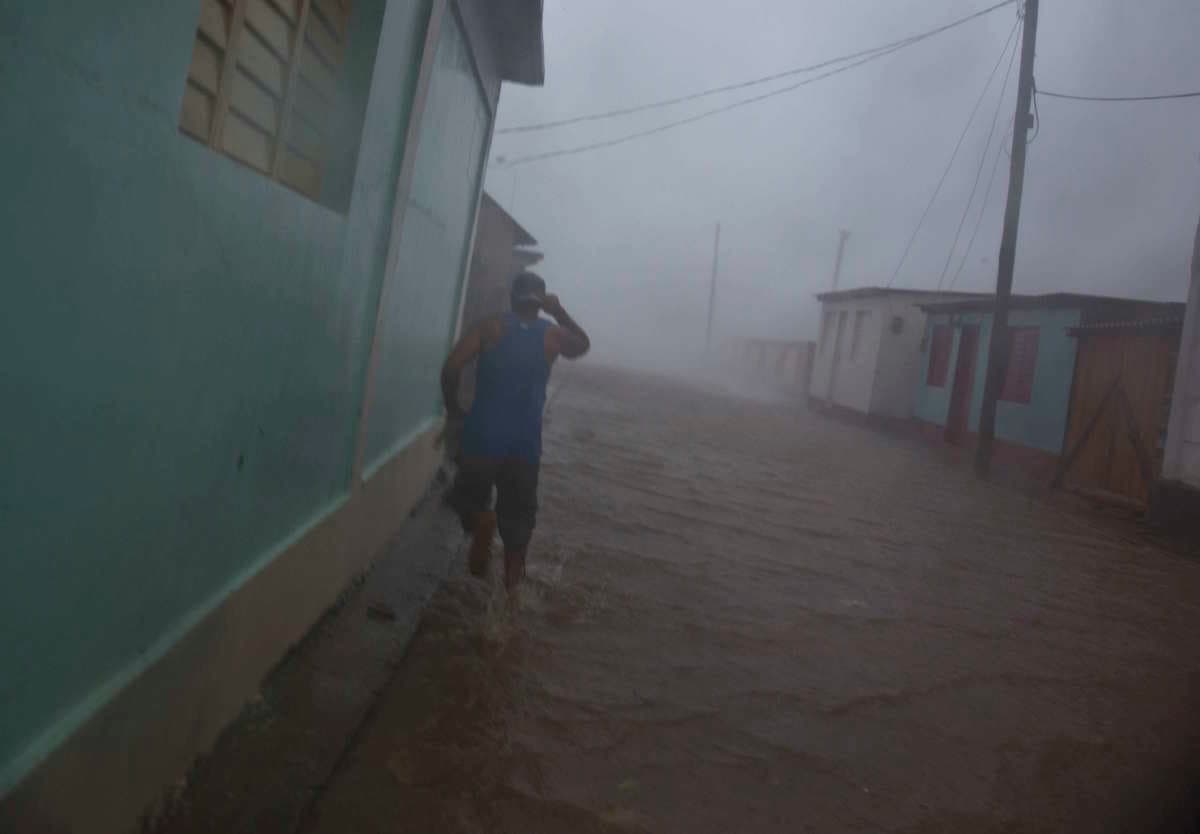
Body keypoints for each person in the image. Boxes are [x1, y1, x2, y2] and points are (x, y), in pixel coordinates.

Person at [440, 272, 590, 592]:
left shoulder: (490, 326)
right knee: (519, 525)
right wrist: (559, 311)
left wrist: (453, 409)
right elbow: (583, 345)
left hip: (481, 438)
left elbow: (452, 367)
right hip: (525, 447)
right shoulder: (552, 336)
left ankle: (480, 520)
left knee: (462, 497)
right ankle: (510, 600)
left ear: (512, 297)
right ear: (540, 303)